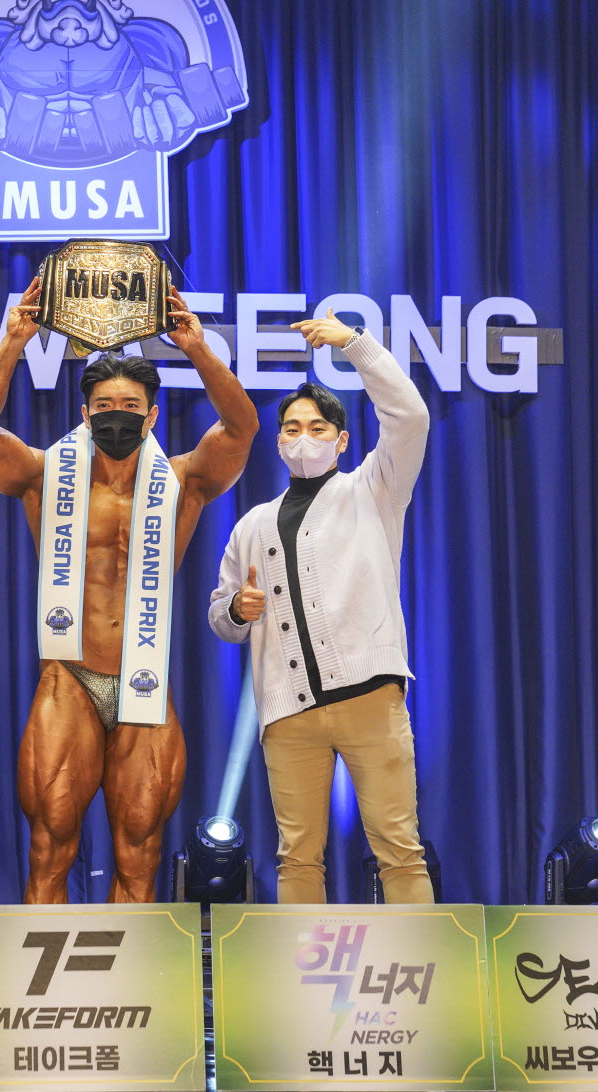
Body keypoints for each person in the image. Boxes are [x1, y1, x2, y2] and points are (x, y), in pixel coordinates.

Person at [0, 277, 257, 902]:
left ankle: (130, 970)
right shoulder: (45, 476)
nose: (115, 415)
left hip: (144, 680)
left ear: (152, 415)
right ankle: (46, 970)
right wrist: (13, 343)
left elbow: (240, 430)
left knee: (139, 853)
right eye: (103, 405)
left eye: (129, 406)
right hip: (68, 678)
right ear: (85, 414)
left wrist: (197, 349)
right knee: (50, 847)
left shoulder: (185, 480)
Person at [208, 312, 434, 904]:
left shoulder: (374, 489)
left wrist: (355, 345)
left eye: (316, 427)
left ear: (342, 440)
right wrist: (237, 609)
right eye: (291, 428)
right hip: (288, 711)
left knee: (399, 848)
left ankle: (420, 960)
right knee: (296, 858)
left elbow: (410, 416)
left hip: (369, 697)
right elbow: (221, 616)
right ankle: (304, 965)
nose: (302, 437)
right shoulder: (252, 524)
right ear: (278, 441)